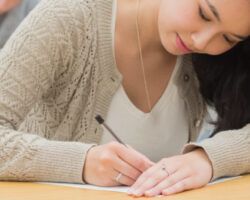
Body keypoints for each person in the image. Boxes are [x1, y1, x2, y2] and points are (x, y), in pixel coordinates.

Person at [0, 0, 249, 197]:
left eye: (228, 38)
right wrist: (83, 163)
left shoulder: (214, 59)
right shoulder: (67, 19)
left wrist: (207, 158)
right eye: (204, 13)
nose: (203, 41)